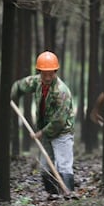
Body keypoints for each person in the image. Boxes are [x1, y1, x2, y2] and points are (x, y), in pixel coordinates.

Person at [11, 51, 75, 194]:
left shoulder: (61, 91)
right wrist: (9, 94)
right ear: (39, 71)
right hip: (45, 131)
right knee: (46, 167)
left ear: (55, 71)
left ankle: (68, 198)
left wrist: (41, 133)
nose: (47, 77)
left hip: (62, 132)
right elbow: (20, 85)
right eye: (44, 73)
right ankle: (52, 197)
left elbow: (59, 120)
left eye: (50, 74)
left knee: (63, 165)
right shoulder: (37, 81)